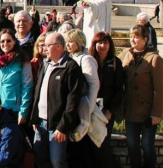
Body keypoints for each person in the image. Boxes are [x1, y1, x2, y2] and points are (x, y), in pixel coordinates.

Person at [30, 32, 84, 168]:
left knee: (57, 162)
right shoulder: (45, 64)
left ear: (59, 46)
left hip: (57, 127)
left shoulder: (71, 67)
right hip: (41, 124)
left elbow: (73, 101)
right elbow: (38, 92)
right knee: (40, 159)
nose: (44, 49)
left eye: (48, 45)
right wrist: (35, 117)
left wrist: (63, 127)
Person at [118, 25, 163, 168]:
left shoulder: (154, 59)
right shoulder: (126, 54)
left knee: (147, 146)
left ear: (145, 39)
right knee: (132, 145)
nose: (133, 39)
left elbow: (160, 89)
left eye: (136, 37)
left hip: (147, 112)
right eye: (131, 36)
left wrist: (156, 114)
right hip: (131, 111)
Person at [64, 29, 100, 168]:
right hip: (73, 107)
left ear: (79, 42)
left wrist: (89, 109)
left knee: (82, 150)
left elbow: (93, 84)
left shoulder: (86, 59)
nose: (68, 44)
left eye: (71, 41)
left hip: (83, 109)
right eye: (67, 41)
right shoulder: (71, 57)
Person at [0, 29, 33, 125]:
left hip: (12, 109)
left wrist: (23, 112)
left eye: (8, 41)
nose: (5, 44)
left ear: (14, 41)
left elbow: (27, 88)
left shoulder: (22, 61)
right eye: (2, 41)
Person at [89, 31, 123, 168]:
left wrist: (111, 110)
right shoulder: (89, 61)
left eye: (106, 42)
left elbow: (119, 89)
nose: (102, 46)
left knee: (103, 143)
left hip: (106, 111)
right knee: (90, 144)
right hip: (90, 110)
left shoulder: (115, 63)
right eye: (99, 43)